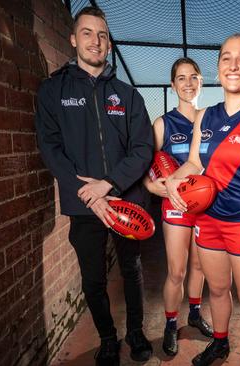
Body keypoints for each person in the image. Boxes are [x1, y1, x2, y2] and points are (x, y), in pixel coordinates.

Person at [34, 6, 154, 366]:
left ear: (108, 43)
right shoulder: (53, 90)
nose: (95, 41)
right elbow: (50, 147)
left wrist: (110, 184)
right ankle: (107, 339)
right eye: (87, 33)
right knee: (93, 279)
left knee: (131, 270)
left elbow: (144, 148)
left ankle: (135, 333)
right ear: (73, 39)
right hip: (84, 204)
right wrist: (88, 193)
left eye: (102, 34)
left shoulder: (128, 96)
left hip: (127, 200)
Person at [166, 33, 240, 366]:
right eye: (226, 57)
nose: (233, 65)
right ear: (218, 68)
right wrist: (173, 180)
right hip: (208, 220)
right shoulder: (205, 117)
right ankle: (219, 344)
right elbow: (194, 162)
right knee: (217, 290)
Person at [143, 57, 213, 357]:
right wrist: (150, 186)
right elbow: (147, 164)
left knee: (200, 266)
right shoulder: (163, 123)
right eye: (181, 78)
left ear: (201, 82)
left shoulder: (210, 119)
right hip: (176, 206)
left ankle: (194, 314)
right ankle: (171, 324)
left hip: (207, 206)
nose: (188, 83)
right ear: (173, 86)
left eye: (193, 77)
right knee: (177, 270)